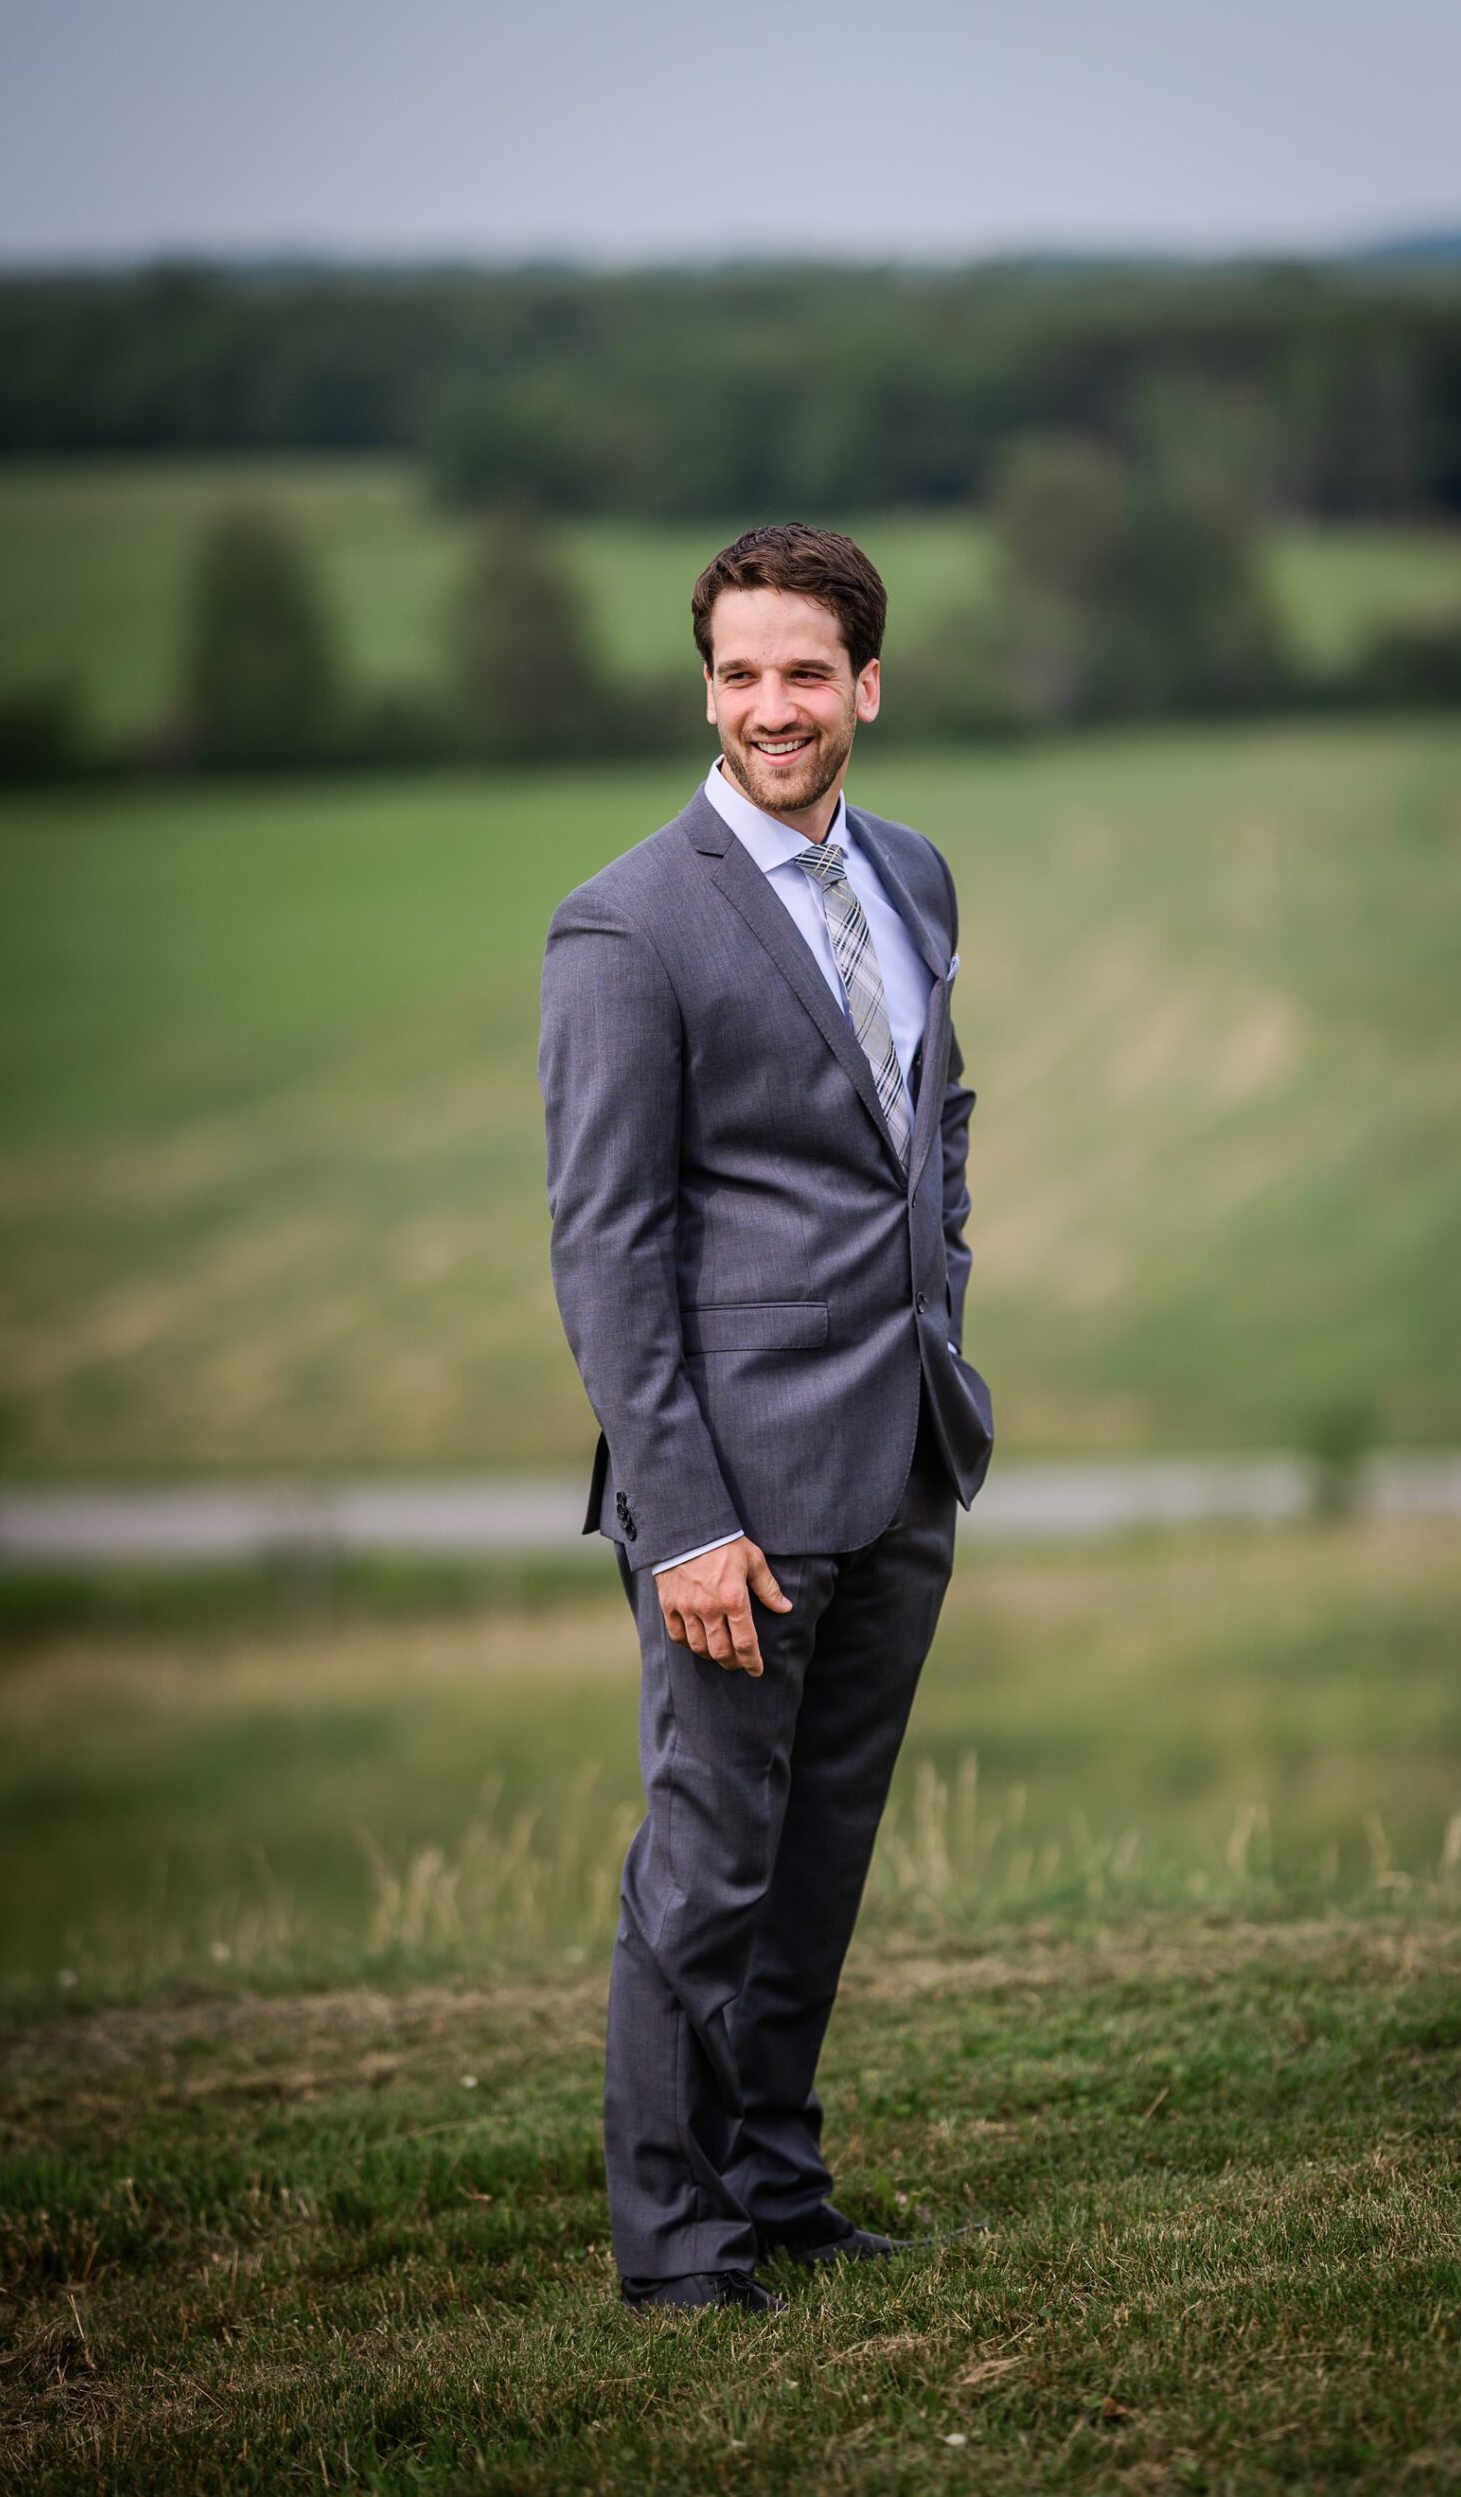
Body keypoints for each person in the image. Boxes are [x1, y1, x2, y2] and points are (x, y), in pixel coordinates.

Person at [538, 522, 993, 2314]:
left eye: (805, 672)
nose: (771, 705)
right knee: (710, 1870)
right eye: (739, 674)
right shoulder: (627, 924)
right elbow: (606, 1249)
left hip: (903, 1453)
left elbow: (934, 1118)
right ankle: (677, 2249)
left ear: (867, 685)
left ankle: (779, 2187)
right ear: (708, 691)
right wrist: (688, 1523)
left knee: (820, 1860)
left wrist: (942, 1305)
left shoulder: (916, 873)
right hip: (734, 1491)